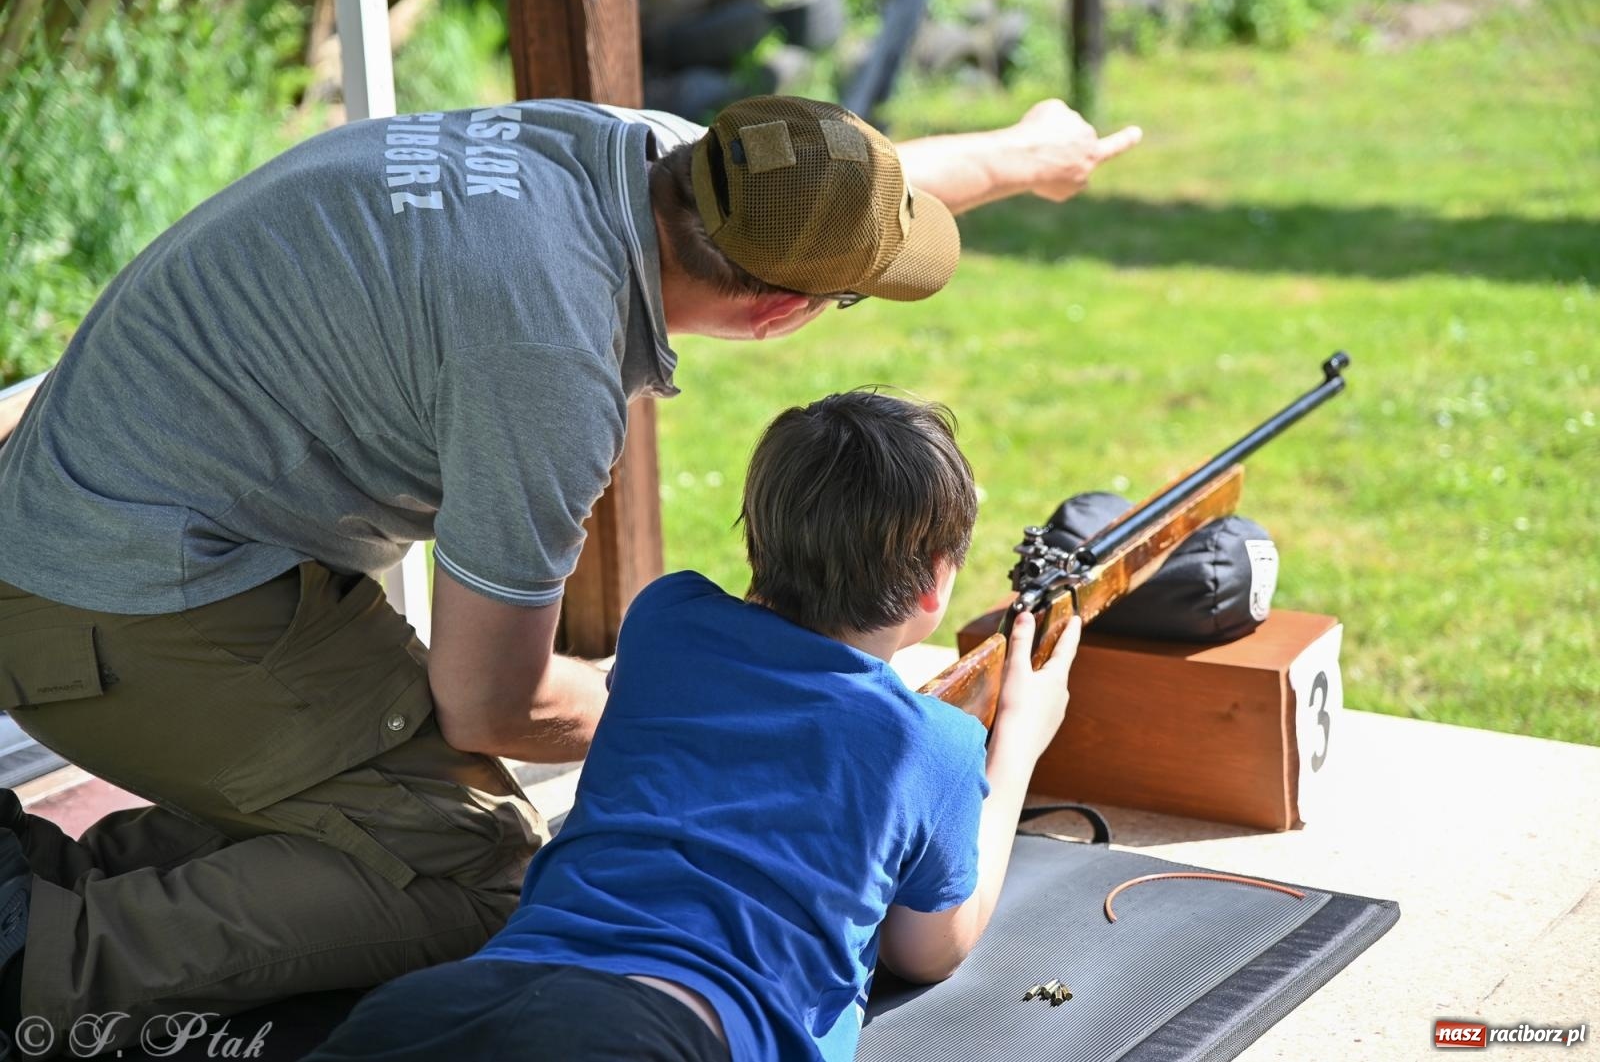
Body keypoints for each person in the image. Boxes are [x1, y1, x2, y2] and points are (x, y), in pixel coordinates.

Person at [0, 93, 1136, 1050]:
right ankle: (36, 952)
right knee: (472, 872)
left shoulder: (654, 157)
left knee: (403, 809)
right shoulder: (548, 361)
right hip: (119, 605)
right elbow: (490, 698)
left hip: (105, 533)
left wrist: (1022, 156)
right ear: (783, 313)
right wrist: (784, 712)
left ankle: (43, 870)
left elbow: (842, 188)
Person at [305, 391, 1081, 1062]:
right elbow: (931, 948)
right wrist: (1014, 737)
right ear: (936, 583)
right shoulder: (932, 744)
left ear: (757, 538)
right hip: (656, 1027)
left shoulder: (666, 619)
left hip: (462, 992)